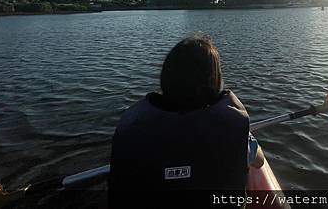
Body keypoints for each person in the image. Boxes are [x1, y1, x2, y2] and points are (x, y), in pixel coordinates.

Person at [108, 35, 264, 203]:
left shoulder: (133, 126)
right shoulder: (230, 125)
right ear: (214, 81)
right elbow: (259, 161)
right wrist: (245, 136)